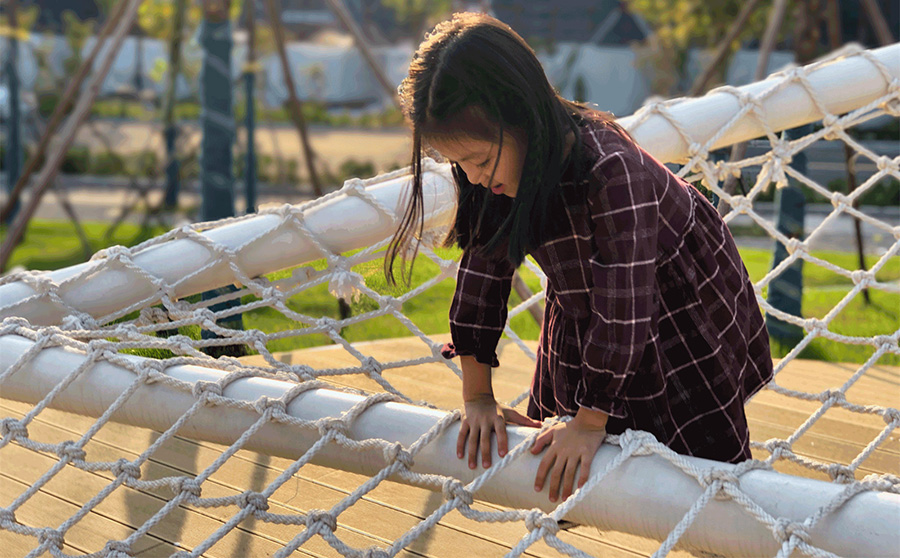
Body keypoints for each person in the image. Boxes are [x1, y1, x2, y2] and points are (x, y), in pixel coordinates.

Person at [386, 12, 773, 504]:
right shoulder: (498, 177)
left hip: (673, 307)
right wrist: (477, 396)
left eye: (480, 161)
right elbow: (481, 278)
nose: (476, 177)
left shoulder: (611, 170)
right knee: (559, 475)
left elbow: (626, 304)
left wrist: (590, 422)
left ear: (523, 116)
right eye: (460, 165)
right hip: (587, 304)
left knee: (705, 484)